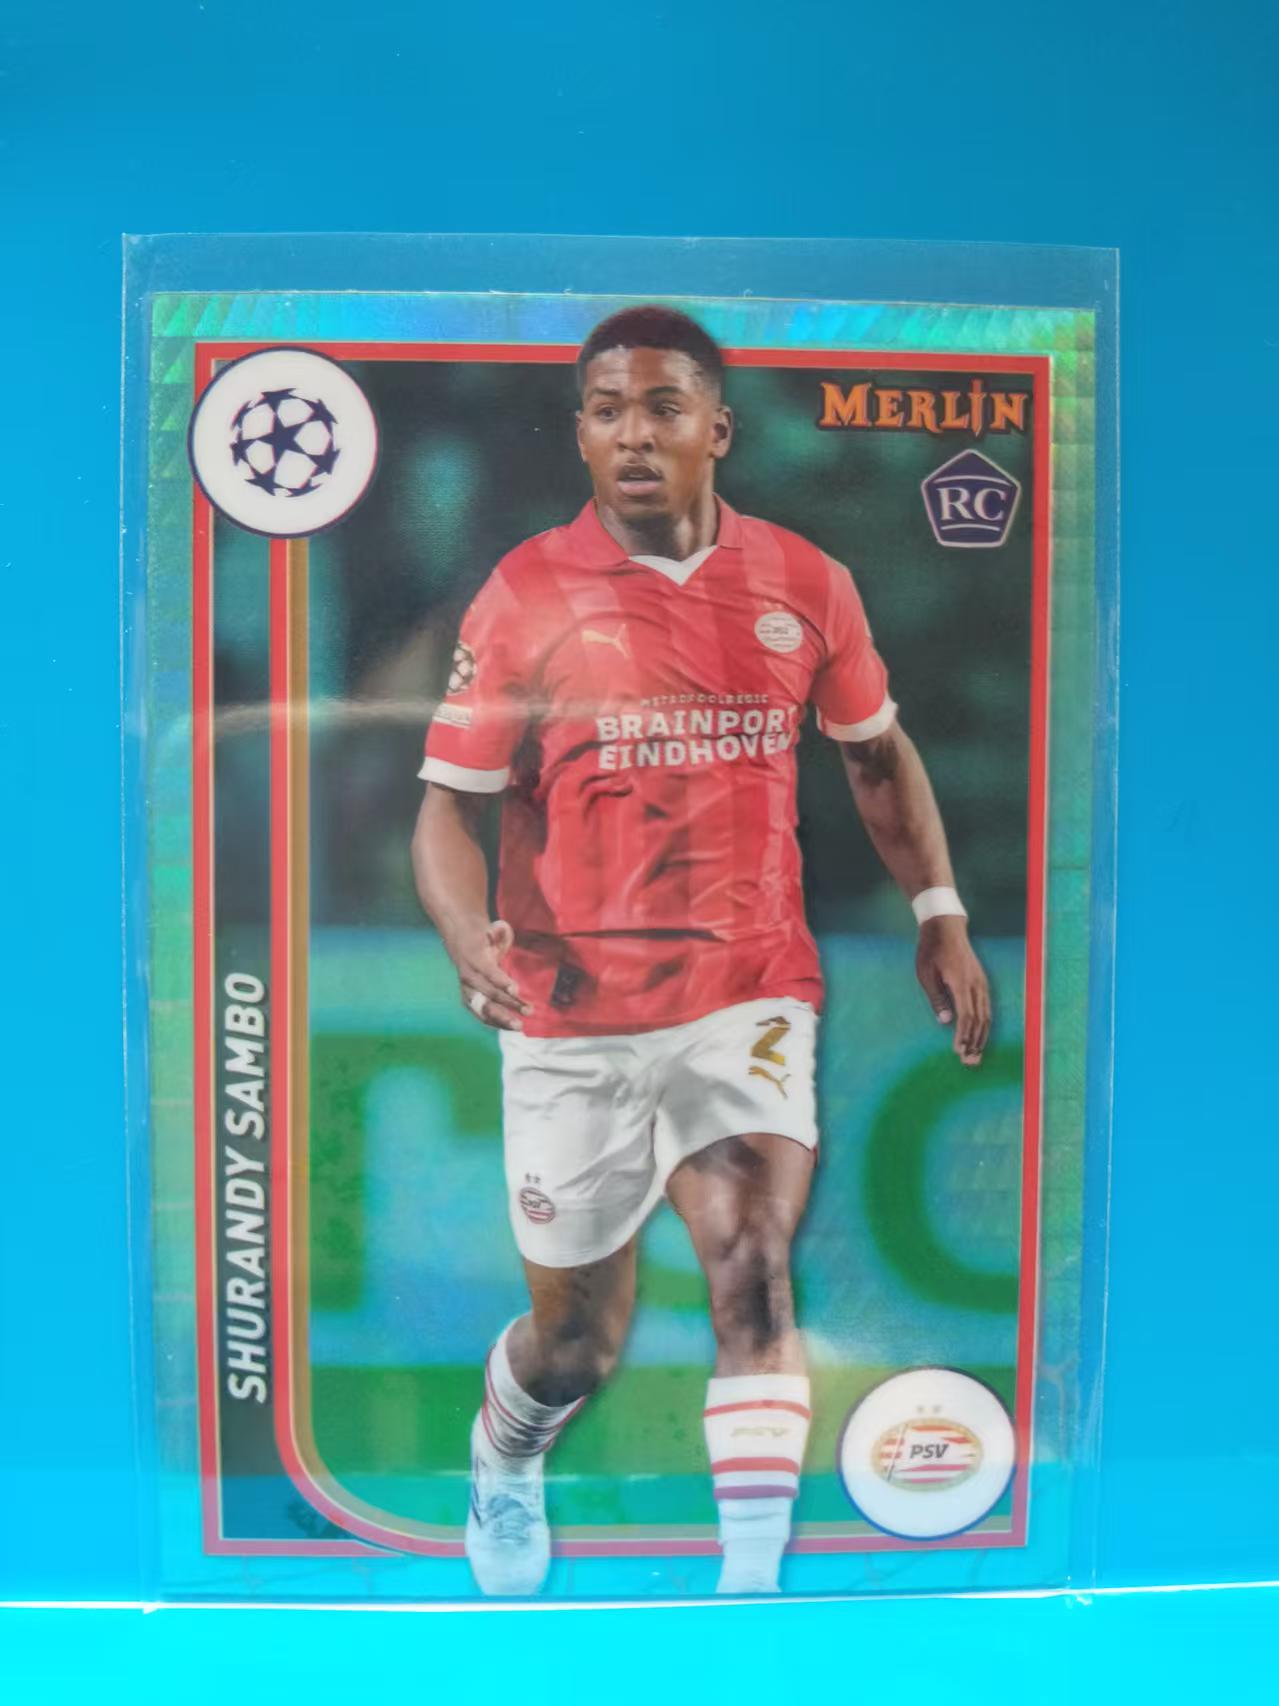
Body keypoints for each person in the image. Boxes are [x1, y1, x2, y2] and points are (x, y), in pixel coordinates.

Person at [411, 305, 990, 1596]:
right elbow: (446, 807)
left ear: (717, 430)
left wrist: (939, 910)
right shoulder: (525, 595)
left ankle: (750, 1594)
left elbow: (876, 756)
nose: (634, 435)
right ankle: (506, 1450)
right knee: (579, 1343)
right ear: (580, 433)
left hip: (748, 988)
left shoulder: (805, 582)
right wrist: (464, 935)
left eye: (663, 408)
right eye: (607, 410)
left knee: (751, 1261)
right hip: (571, 1013)